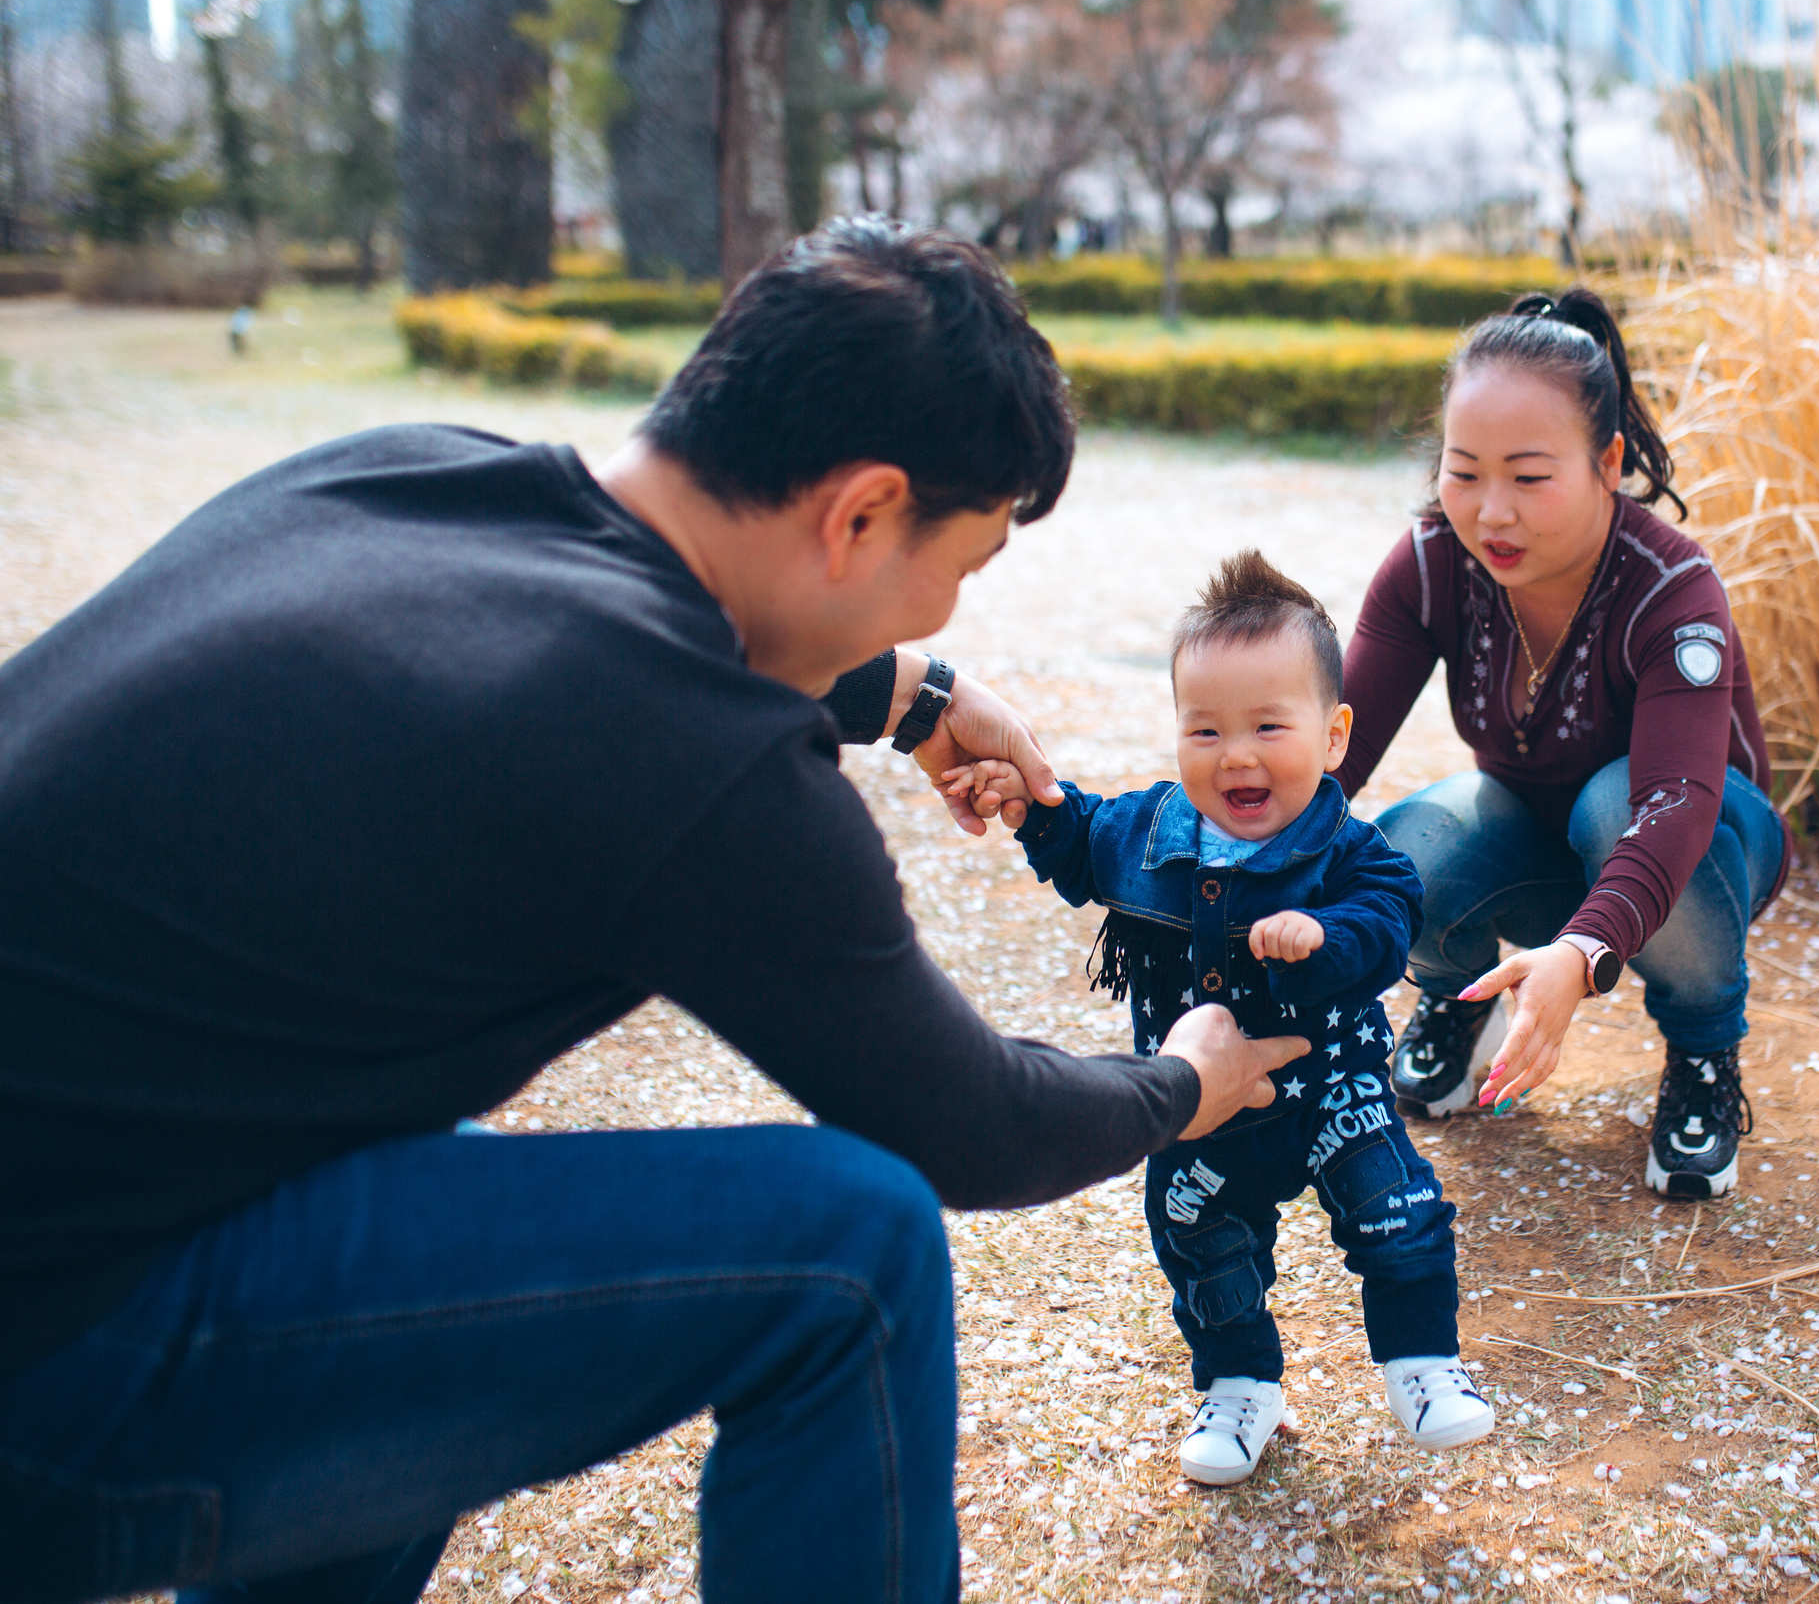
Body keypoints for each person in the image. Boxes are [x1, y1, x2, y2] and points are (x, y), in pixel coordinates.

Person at [0, 217, 1304, 1604]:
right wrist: (1185, 1081)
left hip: (79, 1223)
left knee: (414, 1179)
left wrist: (906, 692)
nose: (941, 606)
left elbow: (579, 651)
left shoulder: (407, 473)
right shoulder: (700, 755)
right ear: (860, 514)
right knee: (852, 1252)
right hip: (59, 1365)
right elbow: (975, 1126)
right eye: (959, 567)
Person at [948, 553, 1495, 1487]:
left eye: (1268, 726)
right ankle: (1240, 1383)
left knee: (1397, 1212)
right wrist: (1021, 802)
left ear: (1333, 736)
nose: (1235, 754)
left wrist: (1324, 934)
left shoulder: (1350, 854)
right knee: (1198, 1237)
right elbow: (1075, 836)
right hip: (1203, 1107)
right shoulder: (1147, 833)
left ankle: (1422, 1359)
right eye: (1205, 729)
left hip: (1331, 1091)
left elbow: (1388, 921)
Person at [1332, 287, 1792, 1201]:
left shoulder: (1670, 586)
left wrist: (1580, 956)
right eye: (1464, 472)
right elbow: (1334, 752)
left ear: (1607, 462)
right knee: (1406, 844)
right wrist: (1226, 867)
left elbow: (1677, 804)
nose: (1490, 512)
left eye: (1529, 477)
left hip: (1700, 851)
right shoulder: (1431, 563)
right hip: (1542, 843)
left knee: (1616, 802)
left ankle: (1704, 1051)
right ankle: (1461, 998)